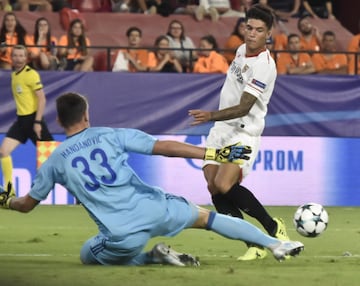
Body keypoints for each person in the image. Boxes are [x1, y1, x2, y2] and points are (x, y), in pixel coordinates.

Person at [0, 92, 304, 266]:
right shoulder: (111, 134)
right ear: (87, 116)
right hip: (157, 209)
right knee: (208, 219)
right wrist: (217, 154)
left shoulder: (54, 160)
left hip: (122, 235)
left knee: (87, 255)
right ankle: (274, 244)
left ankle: (152, 258)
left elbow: (27, 204)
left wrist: (7, 201)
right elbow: (166, 149)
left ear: (59, 121)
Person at [188, 4, 291, 261]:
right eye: (249, 27)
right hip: (221, 129)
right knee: (213, 187)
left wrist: (210, 114)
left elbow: (245, 107)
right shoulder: (241, 50)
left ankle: (272, 226)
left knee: (225, 184)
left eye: (259, 30)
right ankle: (253, 244)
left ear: (268, 34)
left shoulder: (265, 65)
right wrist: (215, 120)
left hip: (244, 131)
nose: (252, 34)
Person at [0, 45, 54, 195]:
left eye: (21, 56)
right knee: (3, 151)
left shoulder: (31, 74)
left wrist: (37, 122)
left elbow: (42, 99)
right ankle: (9, 190)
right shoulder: (14, 75)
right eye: (15, 55)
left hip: (34, 120)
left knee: (54, 160)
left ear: (26, 58)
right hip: (21, 121)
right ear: (11, 58)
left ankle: (79, 192)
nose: (18, 59)